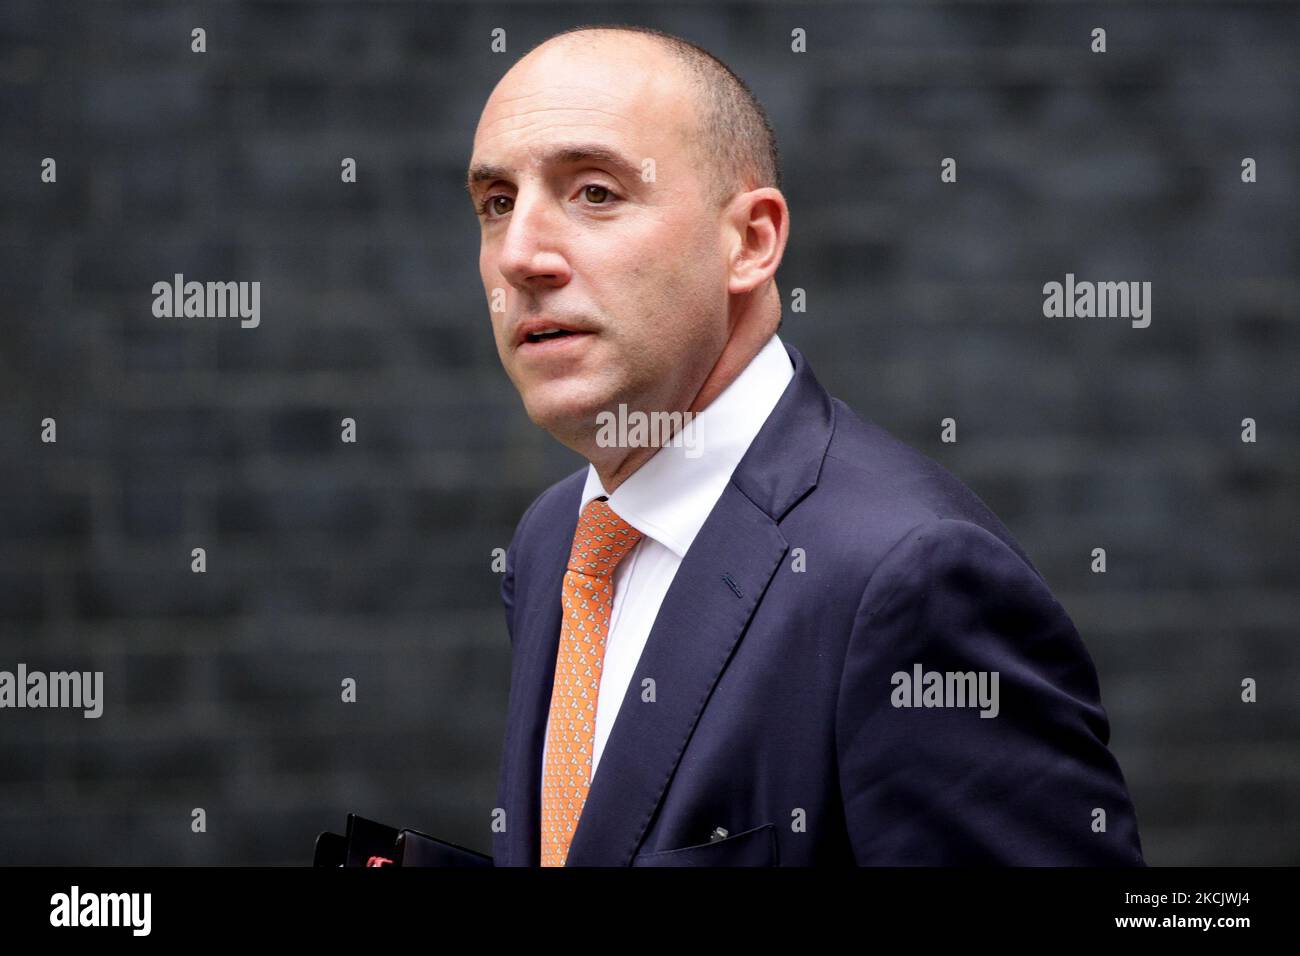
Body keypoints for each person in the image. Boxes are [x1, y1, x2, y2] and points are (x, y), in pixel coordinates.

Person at [467, 24, 1144, 866]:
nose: (522, 254)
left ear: (750, 242)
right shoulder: (553, 543)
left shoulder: (910, 578)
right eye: (497, 203)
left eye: (595, 193)